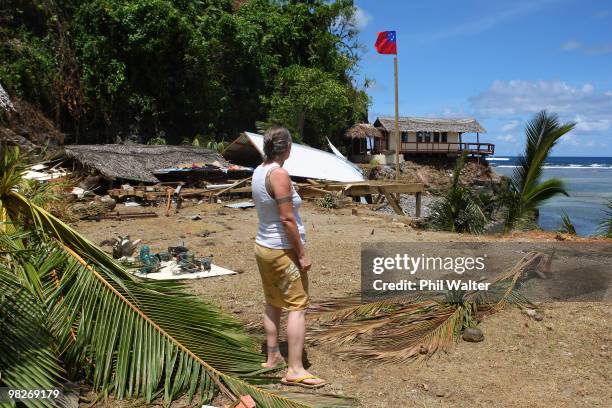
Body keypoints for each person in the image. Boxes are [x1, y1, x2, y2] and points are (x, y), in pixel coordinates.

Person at [252, 127, 326, 389]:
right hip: (282, 249)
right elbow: (286, 219)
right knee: (297, 306)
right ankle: (295, 369)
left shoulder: (259, 170)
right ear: (287, 148)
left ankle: (272, 355)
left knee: (273, 302)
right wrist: (302, 254)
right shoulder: (279, 174)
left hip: (264, 246)